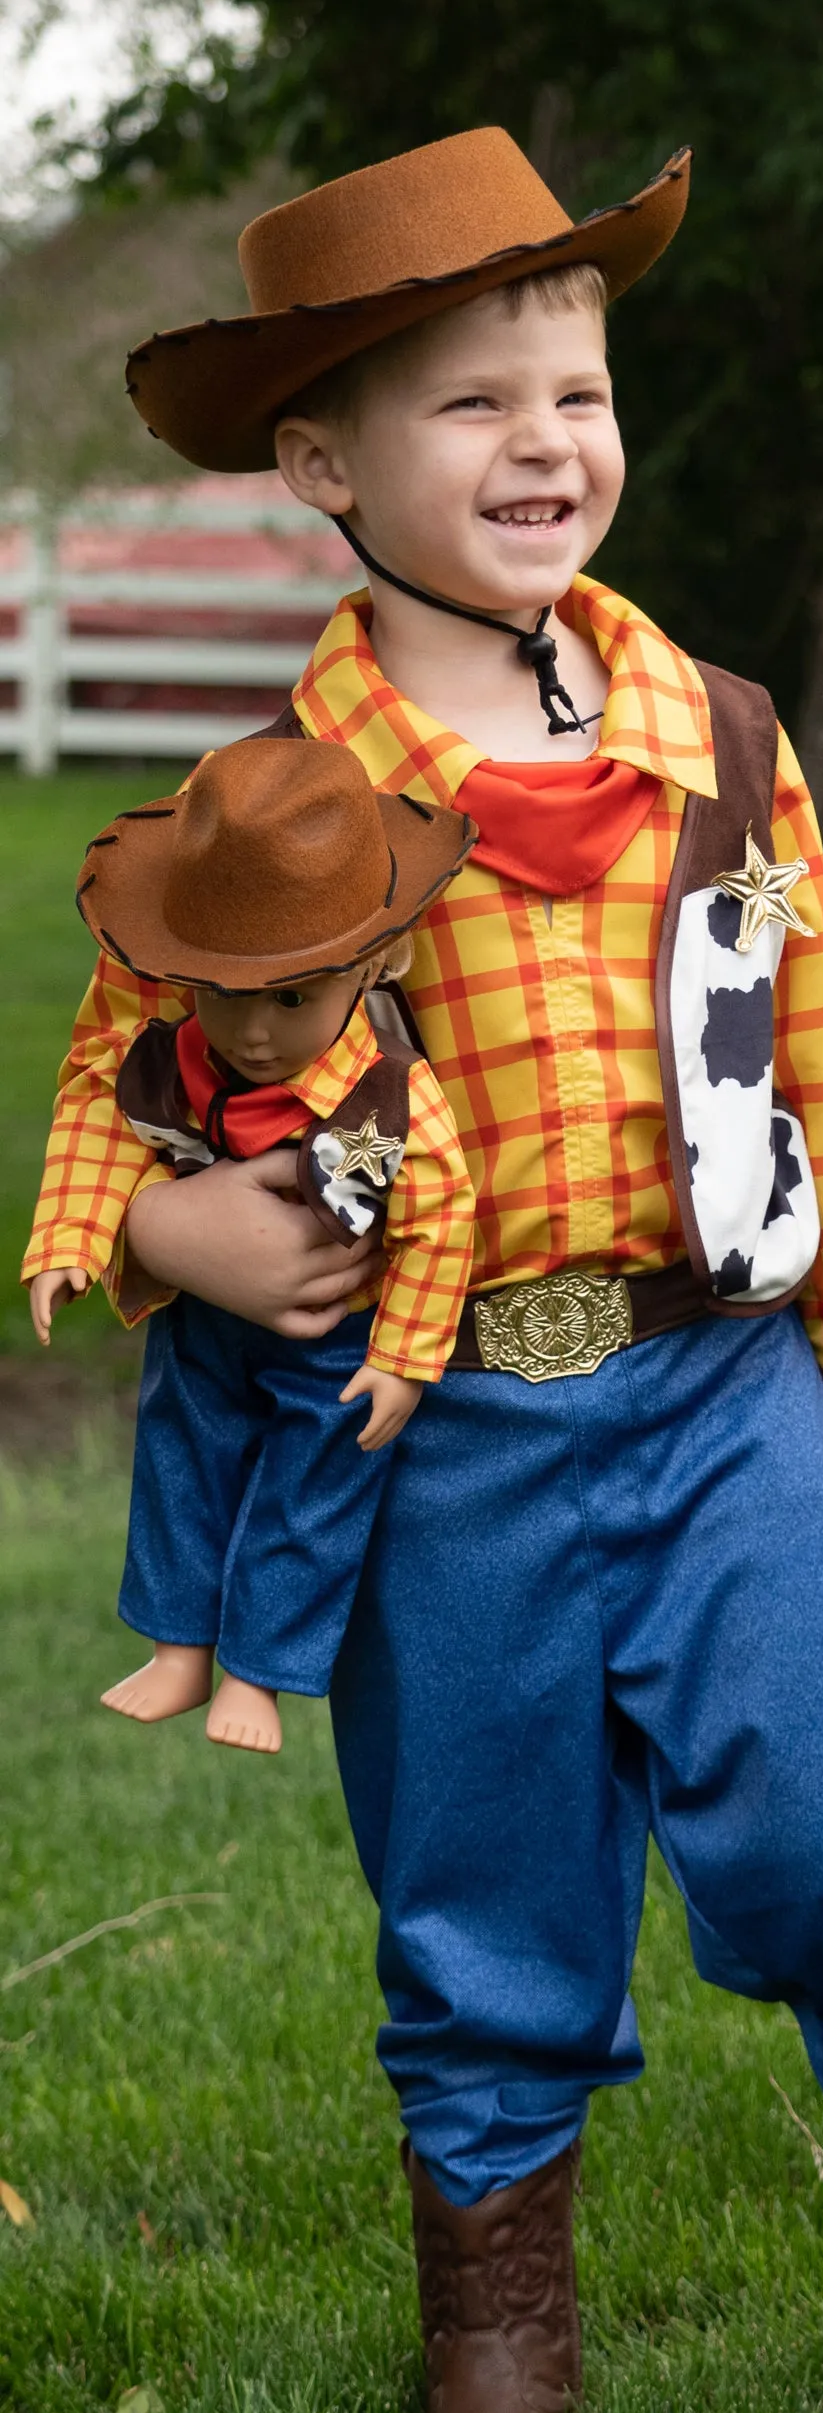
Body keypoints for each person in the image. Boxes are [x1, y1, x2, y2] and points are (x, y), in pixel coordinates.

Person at [25, 128, 823, 2413]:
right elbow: (119, 1092)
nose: (544, 442)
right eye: (469, 405)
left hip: (718, 1386)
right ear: (321, 460)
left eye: (574, 386)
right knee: (478, 1884)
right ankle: (498, 2350)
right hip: (430, 1423)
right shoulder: (272, 801)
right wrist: (177, 1233)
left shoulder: (723, 740)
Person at [28, 734, 476, 1754]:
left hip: (336, 1342)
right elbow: (101, 1117)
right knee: (179, 1458)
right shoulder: (173, 1058)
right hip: (205, 1316)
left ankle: (260, 1669)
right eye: (229, 995)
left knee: (310, 1488)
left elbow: (443, 1218)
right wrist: (74, 1237)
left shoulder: (390, 1100)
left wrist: (405, 1359)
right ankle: (178, 1642)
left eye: (292, 999)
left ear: (374, 967)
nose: (259, 1034)